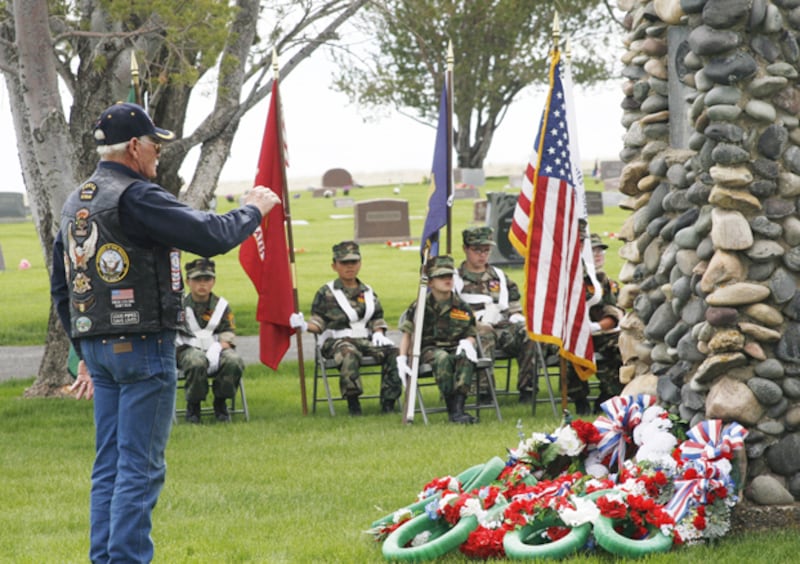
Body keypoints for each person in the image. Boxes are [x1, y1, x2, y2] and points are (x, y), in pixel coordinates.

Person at [50, 101, 280, 563]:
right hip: (143, 344)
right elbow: (209, 234)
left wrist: (84, 355)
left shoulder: (78, 200)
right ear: (134, 147)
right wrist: (254, 210)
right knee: (140, 467)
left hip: (98, 347)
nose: (158, 154)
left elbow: (62, 284)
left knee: (110, 467)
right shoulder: (136, 195)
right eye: (155, 144)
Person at [289, 241, 402, 416]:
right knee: (349, 352)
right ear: (334, 266)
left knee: (395, 352)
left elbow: (377, 317)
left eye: (354, 262)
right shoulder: (326, 293)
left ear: (360, 263)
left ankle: (389, 402)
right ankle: (353, 402)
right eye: (344, 263)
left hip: (366, 339)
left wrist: (379, 333)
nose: (350, 267)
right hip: (337, 342)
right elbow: (318, 323)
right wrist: (303, 325)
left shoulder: (368, 292)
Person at [454, 226, 538, 402]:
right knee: (484, 334)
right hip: (472, 330)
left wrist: (516, 317)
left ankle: (527, 388)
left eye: (486, 250)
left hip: (502, 327)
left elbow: (513, 304)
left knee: (530, 333)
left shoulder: (498, 276)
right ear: (465, 249)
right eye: (477, 250)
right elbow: (452, 312)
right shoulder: (456, 279)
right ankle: (484, 392)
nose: (482, 255)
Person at [398, 255, 479, 424]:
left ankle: (459, 408)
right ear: (430, 282)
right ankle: (451, 406)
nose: (447, 280)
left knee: (466, 357)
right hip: (430, 349)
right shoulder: (420, 306)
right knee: (442, 358)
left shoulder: (461, 306)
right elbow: (408, 334)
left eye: (449, 276)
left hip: (455, 346)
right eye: (441, 277)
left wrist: (468, 343)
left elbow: (470, 332)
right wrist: (402, 357)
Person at [176, 257, 245, 423]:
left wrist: (219, 347)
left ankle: (221, 402)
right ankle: (194, 405)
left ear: (213, 281)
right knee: (196, 361)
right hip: (187, 350)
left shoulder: (221, 306)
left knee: (234, 361)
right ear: (188, 281)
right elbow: (173, 334)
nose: (202, 284)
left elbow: (228, 331)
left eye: (207, 279)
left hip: (217, 349)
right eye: (197, 280)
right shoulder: (179, 306)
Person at [567, 233, 624, 415]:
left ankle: (608, 396)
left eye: (600, 250)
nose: (598, 254)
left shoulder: (599, 279)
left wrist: (599, 326)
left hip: (597, 332)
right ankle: (579, 400)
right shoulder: (563, 278)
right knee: (570, 350)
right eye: (593, 250)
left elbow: (612, 308)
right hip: (569, 333)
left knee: (619, 346)